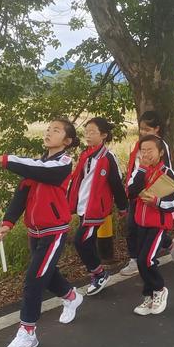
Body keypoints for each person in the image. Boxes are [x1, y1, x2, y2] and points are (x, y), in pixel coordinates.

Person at [0, 118, 83, 347]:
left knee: (33, 281)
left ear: (67, 141)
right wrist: (8, 223)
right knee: (47, 274)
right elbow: (21, 197)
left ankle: (28, 332)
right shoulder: (38, 165)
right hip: (34, 231)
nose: (48, 133)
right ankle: (71, 297)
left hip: (53, 232)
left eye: (55, 130)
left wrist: (2, 159)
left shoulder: (62, 163)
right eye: (48, 129)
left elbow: (37, 169)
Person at [67, 117, 128, 296]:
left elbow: (117, 183)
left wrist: (123, 207)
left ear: (103, 135)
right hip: (83, 206)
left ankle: (99, 274)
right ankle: (97, 271)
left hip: (96, 209)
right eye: (86, 132)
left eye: (92, 132)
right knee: (87, 241)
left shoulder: (108, 158)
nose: (88, 135)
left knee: (80, 241)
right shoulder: (86, 154)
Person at [121, 110, 174, 276]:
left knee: (139, 228)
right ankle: (164, 247)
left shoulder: (160, 146)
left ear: (157, 129)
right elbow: (135, 167)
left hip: (151, 195)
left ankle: (140, 261)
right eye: (141, 129)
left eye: (147, 130)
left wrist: (160, 200)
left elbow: (165, 174)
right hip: (137, 192)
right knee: (134, 227)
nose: (143, 132)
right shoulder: (140, 145)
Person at [128, 134, 174, 315]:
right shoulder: (140, 171)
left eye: (150, 150)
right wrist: (142, 169)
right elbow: (131, 192)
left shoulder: (168, 173)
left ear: (160, 152)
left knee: (146, 259)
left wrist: (158, 203)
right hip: (140, 223)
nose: (146, 153)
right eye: (142, 150)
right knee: (142, 261)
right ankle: (148, 295)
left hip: (158, 224)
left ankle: (159, 290)